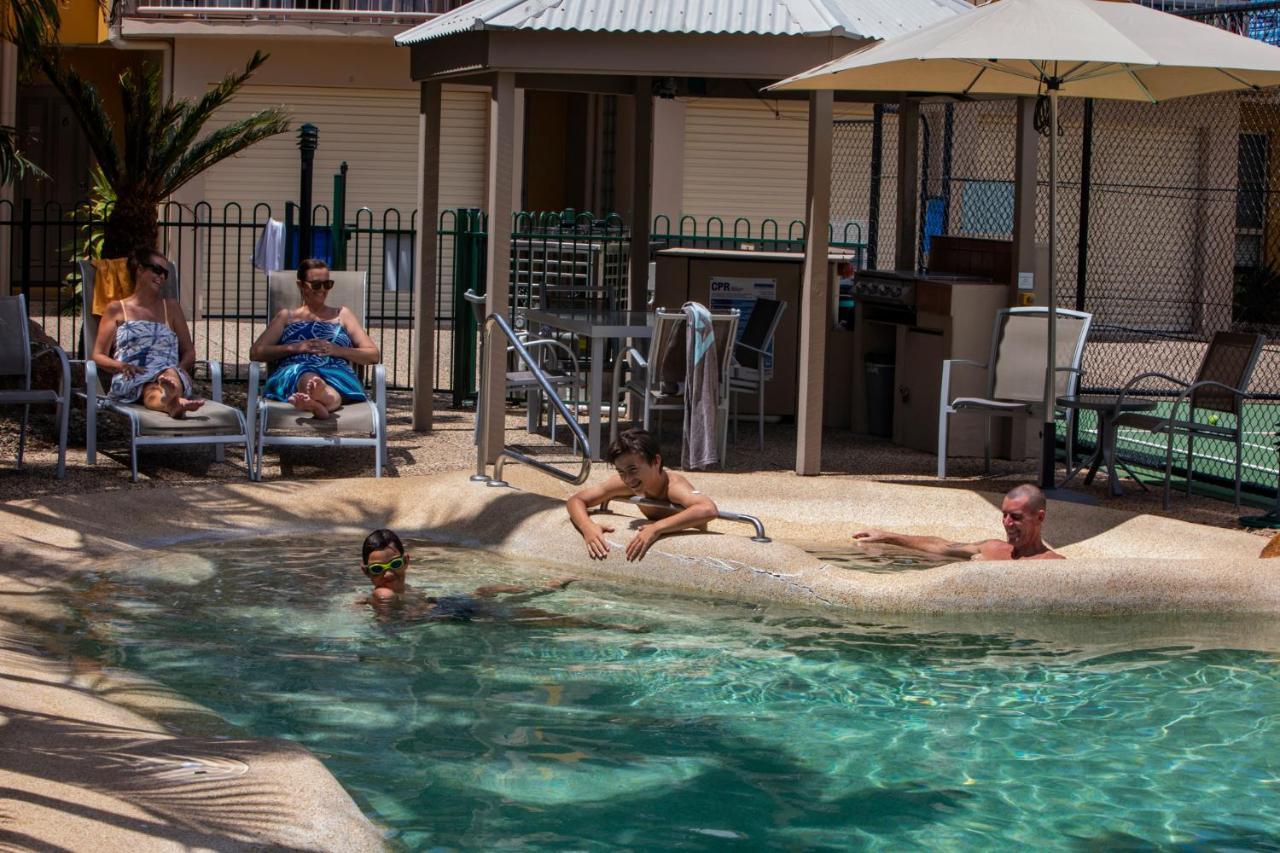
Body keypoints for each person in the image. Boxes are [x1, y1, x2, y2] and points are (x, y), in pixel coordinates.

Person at [358, 529, 645, 631]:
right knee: (531, 616)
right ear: (365, 572)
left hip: (447, 607)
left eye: (395, 564)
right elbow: (392, 625)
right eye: (378, 570)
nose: (388, 574)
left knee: (488, 591)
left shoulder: (384, 594)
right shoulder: (383, 596)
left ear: (407, 562)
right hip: (445, 612)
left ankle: (545, 588)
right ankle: (605, 625)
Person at [249, 259, 380, 420]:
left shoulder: (342, 314)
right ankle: (320, 396)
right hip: (294, 371)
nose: (323, 290)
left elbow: (373, 354)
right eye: (316, 285)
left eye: (328, 284)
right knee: (307, 375)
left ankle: (315, 401)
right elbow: (256, 352)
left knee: (324, 385)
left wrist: (337, 350)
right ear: (301, 285)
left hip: (336, 373)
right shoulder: (286, 317)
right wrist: (296, 348)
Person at [566, 428, 719, 562]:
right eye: (621, 472)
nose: (628, 480)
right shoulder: (627, 483)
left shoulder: (673, 487)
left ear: (655, 461)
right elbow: (576, 500)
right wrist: (587, 526)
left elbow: (708, 509)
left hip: (694, 550)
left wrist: (656, 528)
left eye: (633, 470)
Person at [91, 246, 205, 419]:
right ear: (140, 270)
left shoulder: (172, 308)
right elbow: (98, 355)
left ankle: (170, 400)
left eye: (165, 274)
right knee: (148, 388)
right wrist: (121, 366)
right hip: (134, 373)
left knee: (169, 377)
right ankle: (171, 401)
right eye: (157, 270)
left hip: (168, 370)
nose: (162, 277)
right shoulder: (116, 309)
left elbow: (189, 351)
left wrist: (179, 369)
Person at [852, 483, 1065, 561]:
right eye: (1004, 515)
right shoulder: (992, 548)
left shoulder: (1053, 564)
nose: (1006, 523)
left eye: (1016, 517)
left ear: (1040, 517)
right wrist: (887, 536)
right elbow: (942, 546)